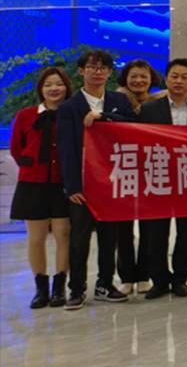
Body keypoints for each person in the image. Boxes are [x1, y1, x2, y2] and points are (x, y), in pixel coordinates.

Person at [58, 49, 137, 310]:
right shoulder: (69, 107)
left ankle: (105, 284)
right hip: (83, 185)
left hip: (112, 182)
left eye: (102, 68)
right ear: (81, 71)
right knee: (79, 239)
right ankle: (76, 289)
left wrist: (104, 117)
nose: (97, 72)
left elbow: (132, 126)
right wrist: (72, 186)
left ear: (110, 73)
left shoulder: (118, 100)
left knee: (109, 238)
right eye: (91, 67)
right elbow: (66, 149)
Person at [138, 58, 187, 300]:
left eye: (184, 77)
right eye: (174, 76)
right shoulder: (149, 110)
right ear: (166, 79)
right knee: (156, 233)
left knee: (186, 233)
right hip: (158, 177)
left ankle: (180, 279)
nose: (179, 81)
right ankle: (159, 280)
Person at [10, 67, 73, 309]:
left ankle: (59, 287)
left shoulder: (72, 115)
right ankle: (40, 288)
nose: (54, 88)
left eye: (58, 84)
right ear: (41, 89)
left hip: (63, 183)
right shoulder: (25, 116)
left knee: (62, 235)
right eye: (48, 84)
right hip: (32, 184)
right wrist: (31, 165)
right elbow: (17, 148)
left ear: (66, 87)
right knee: (35, 238)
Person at [115, 59, 165, 296]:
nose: (138, 80)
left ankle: (144, 274)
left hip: (150, 170)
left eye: (143, 76)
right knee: (122, 227)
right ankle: (126, 276)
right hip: (123, 169)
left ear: (151, 79)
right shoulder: (115, 101)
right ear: (125, 78)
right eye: (133, 76)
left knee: (149, 228)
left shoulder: (158, 104)